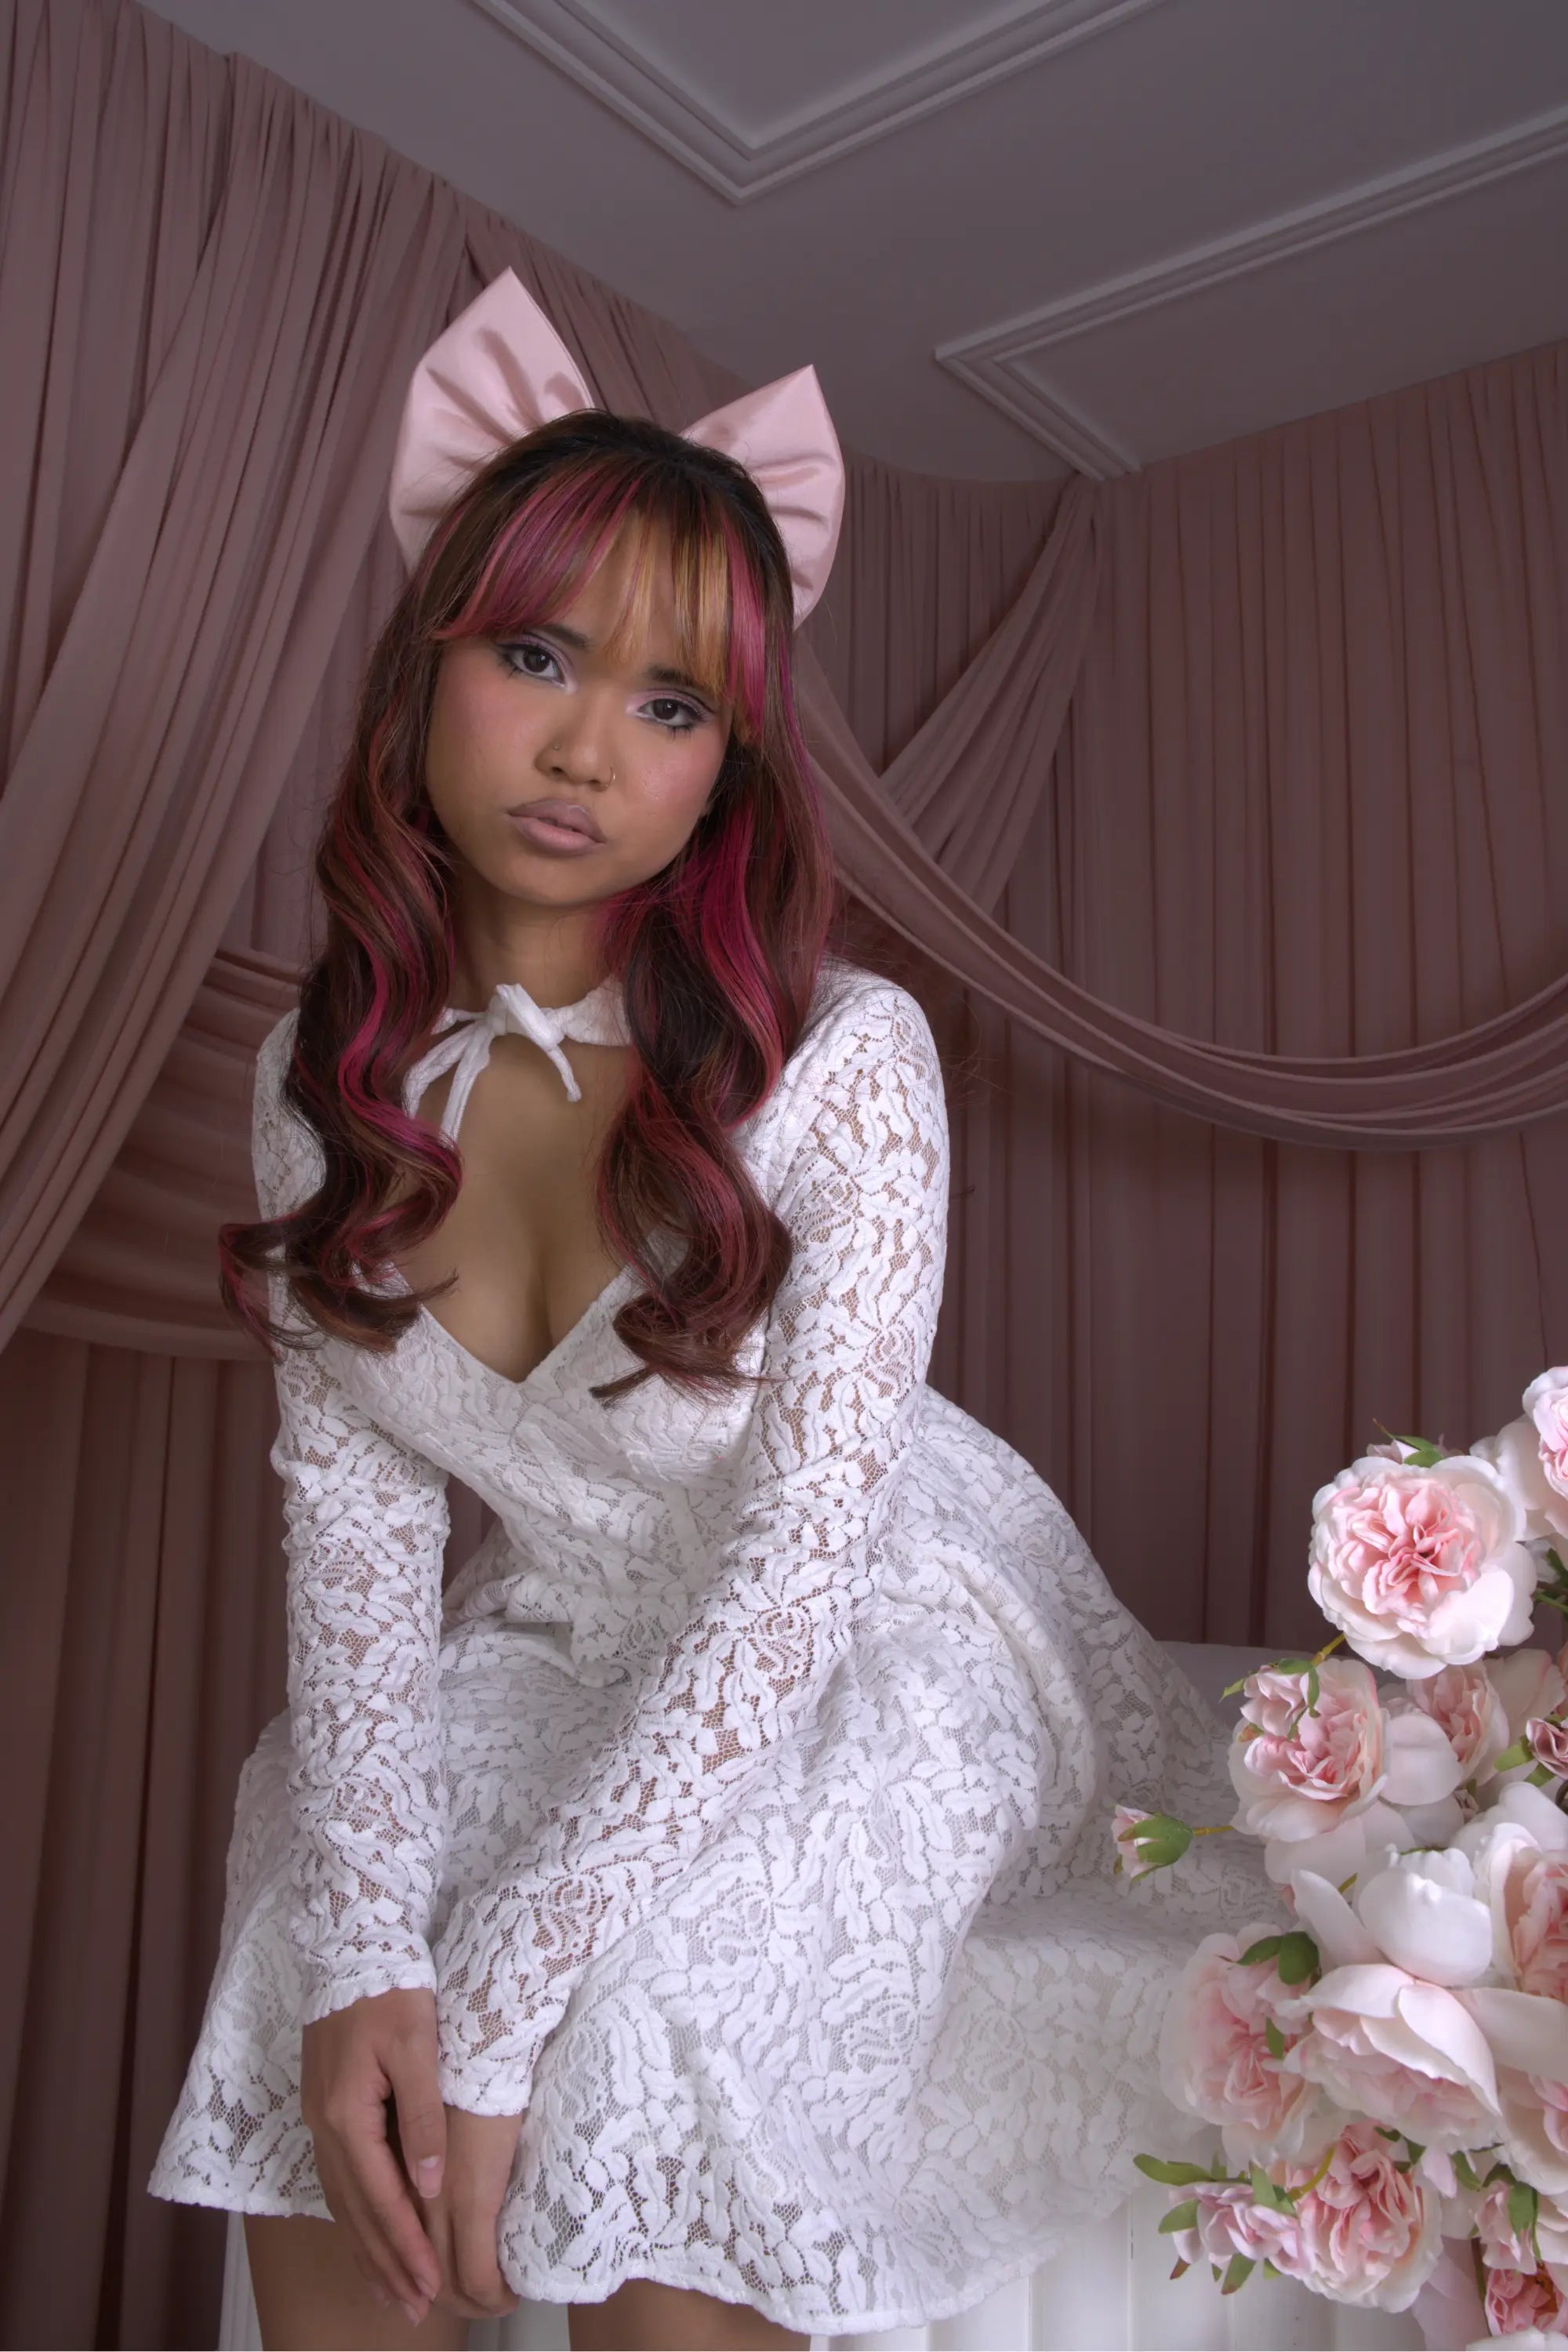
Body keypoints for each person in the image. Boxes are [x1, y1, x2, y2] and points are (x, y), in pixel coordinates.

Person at [148, 270, 1269, 2352]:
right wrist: (378, 1966)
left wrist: (508, 1991)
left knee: (659, 1993)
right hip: (572, 1619)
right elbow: (362, 1552)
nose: (589, 749)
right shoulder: (312, 1088)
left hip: (885, 1618)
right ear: (428, 669)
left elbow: (790, 1579)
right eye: (539, 655)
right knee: (305, 1883)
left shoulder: (848, 1063)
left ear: (729, 766)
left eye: (673, 704)